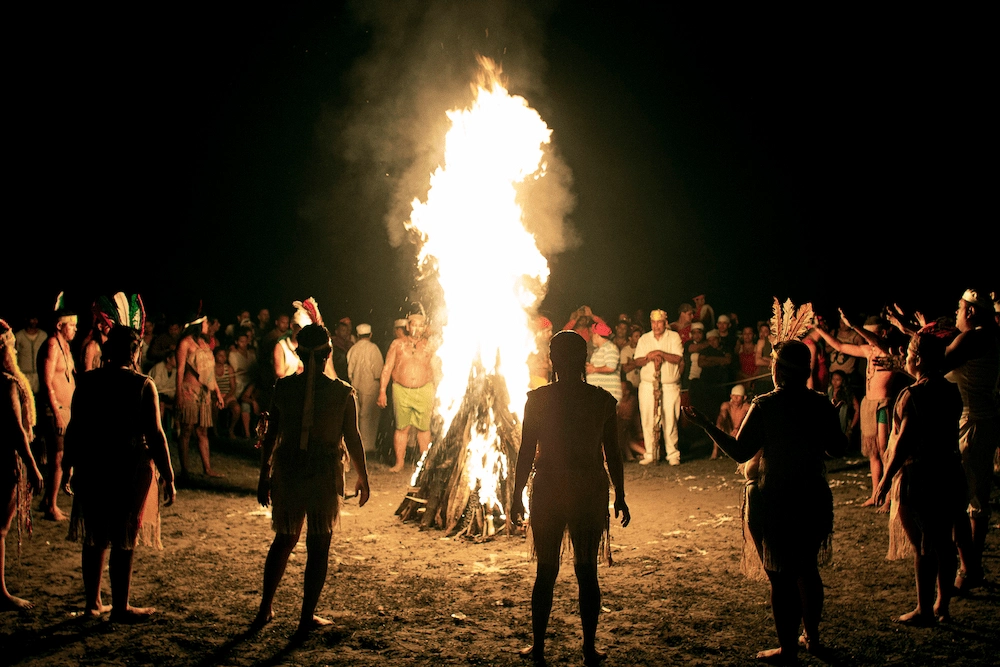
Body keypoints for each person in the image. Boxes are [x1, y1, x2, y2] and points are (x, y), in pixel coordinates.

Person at [684, 341, 846, 663]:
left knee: (781, 576)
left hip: (776, 499)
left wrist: (706, 426)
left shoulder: (766, 405)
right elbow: (837, 450)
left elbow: (742, 451)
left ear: (778, 371)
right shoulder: (819, 404)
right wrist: (832, 416)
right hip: (812, 497)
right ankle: (811, 639)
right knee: (807, 570)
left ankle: (788, 649)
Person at [511, 331, 630, 666]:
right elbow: (614, 455)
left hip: (549, 488)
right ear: (584, 359)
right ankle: (588, 648)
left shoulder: (537, 400)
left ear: (553, 360)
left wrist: (517, 494)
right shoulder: (602, 401)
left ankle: (539, 646)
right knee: (586, 571)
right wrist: (619, 494)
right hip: (588, 489)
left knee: (546, 572)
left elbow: (524, 453)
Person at [255, 324, 370, 635]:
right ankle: (304, 616)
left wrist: (264, 474)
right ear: (328, 354)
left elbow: (271, 437)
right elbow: (353, 438)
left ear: (298, 354)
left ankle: (266, 607)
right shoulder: (342, 392)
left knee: (284, 539)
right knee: (318, 545)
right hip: (321, 472)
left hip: (290, 468)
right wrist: (363, 477)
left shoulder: (284, 388)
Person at [63, 320, 176, 622]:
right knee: (124, 537)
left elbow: (74, 429)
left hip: (92, 465)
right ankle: (121, 606)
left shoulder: (87, 381)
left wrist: (66, 468)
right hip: (129, 465)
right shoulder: (142, 384)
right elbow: (155, 434)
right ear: (135, 352)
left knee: (96, 536)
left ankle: (92, 603)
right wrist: (168, 473)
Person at [873, 332, 966, 625]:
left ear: (920, 359)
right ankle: (942, 605)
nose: (907, 358)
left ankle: (925, 608)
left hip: (923, 475)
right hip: (950, 470)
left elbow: (904, 442)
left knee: (925, 546)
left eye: (910, 354)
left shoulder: (913, 395)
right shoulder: (951, 390)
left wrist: (885, 480)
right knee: (944, 542)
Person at [940, 289, 1000, 593]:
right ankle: (970, 566)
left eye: (959, 309)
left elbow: (936, 366)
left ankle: (968, 568)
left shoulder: (972, 338)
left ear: (972, 312)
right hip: (982, 421)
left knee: (962, 499)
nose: (956, 315)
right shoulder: (989, 335)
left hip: (971, 423)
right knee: (975, 501)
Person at [816, 313, 894, 508]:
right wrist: (818, 329)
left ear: (882, 333)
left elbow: (879, 344)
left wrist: (856, 326)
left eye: (872, 334)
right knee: (873, 452)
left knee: (885, 449)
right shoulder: (869, 351)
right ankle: (876, 494)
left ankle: (891, 494)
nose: (868, 338)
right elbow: (840, 346)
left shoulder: (889, 351)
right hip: (869, 402)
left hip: (883, 403)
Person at [1, 319, 44, 610]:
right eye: (12, 347)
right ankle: (1, 593)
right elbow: (16, 429)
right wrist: (32, 466)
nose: (15, 352)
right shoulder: (6, 382)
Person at [378, 313, 437, 472]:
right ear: (408, 326)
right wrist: (382, 391)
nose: (416, 328)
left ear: (424, 328)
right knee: (401, 428)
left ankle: (425, 463)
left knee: (423, 429)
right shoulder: (397, 344)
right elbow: (387, 368)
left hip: (424, 389)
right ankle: (399, 463)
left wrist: (438, 394)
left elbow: (437, 370)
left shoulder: (429, 346)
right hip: (401, 389)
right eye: (413, 325)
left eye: (420, 325)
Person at [39, 303, 78, 520]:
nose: (74, 329)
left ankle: (48, 499)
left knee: (61, 456)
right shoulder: (52, 345)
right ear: (60, 325)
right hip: (56, 410)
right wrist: (56, 411)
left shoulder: (65, 346)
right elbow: (47, 382)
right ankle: (52, 506)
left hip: (66, 409)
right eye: (71, 325)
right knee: (58, 457)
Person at [175, 316, 225, 479]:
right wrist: (179, 394)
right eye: (205, 323)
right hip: (189, 391)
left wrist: (217, 392)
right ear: (197, 325)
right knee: (187, 430)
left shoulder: (205, 344)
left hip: (205, 393)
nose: (207, 325)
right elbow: (180, 370)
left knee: (202, 431)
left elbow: (209, 372)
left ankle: (208, 468)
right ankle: (185, 470)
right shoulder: (185, 343)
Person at [633, 309, 684, 465]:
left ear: (665, 322)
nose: (656, 326)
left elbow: (677, 358)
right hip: (648, 384)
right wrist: (650, 357)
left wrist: (660, 353)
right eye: (653, 322)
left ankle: (672, 454)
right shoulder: (644, 338)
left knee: (670, 419)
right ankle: (650, 452)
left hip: (669, 385)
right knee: (648, 418)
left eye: (659, 322)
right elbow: (637, 361)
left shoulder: (674, 337)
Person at [347, 323, 384, 454]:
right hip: (371, 387)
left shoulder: (353, 349)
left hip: (355, 387)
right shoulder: (373, 348)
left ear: (357, 335)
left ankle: (358, 445)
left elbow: (349, 371)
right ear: (370, 335)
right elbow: (378, 371)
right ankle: (368, 447)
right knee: (369, 417)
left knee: (358, 416)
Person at [586, 321, 622, 401]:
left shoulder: (610, 348)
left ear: (597, 335)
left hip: (608, 395)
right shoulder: (598, 350)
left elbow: (611, 367)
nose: (591, 337)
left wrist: (594, 369)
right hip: (599, 395)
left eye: (593, 334)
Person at [713, 384, 750, 460]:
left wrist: (738, 428)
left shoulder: (747, 407)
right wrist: (719, 424)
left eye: (738, 396)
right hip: (729, 432)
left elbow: (745, 418)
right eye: (734, 396)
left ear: (744, 397)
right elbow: (722, 416)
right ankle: (715, 451)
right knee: (719, 426)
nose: (735, 398)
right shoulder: (726, 405)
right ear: (730, 396)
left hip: (741, 433)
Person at [13, 317, 46, 395]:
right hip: (24, 374)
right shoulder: (19, 336)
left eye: (36, 319)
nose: (34, 322)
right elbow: (14, 355)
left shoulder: (43, 336)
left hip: (39, 375)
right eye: (32, 319)